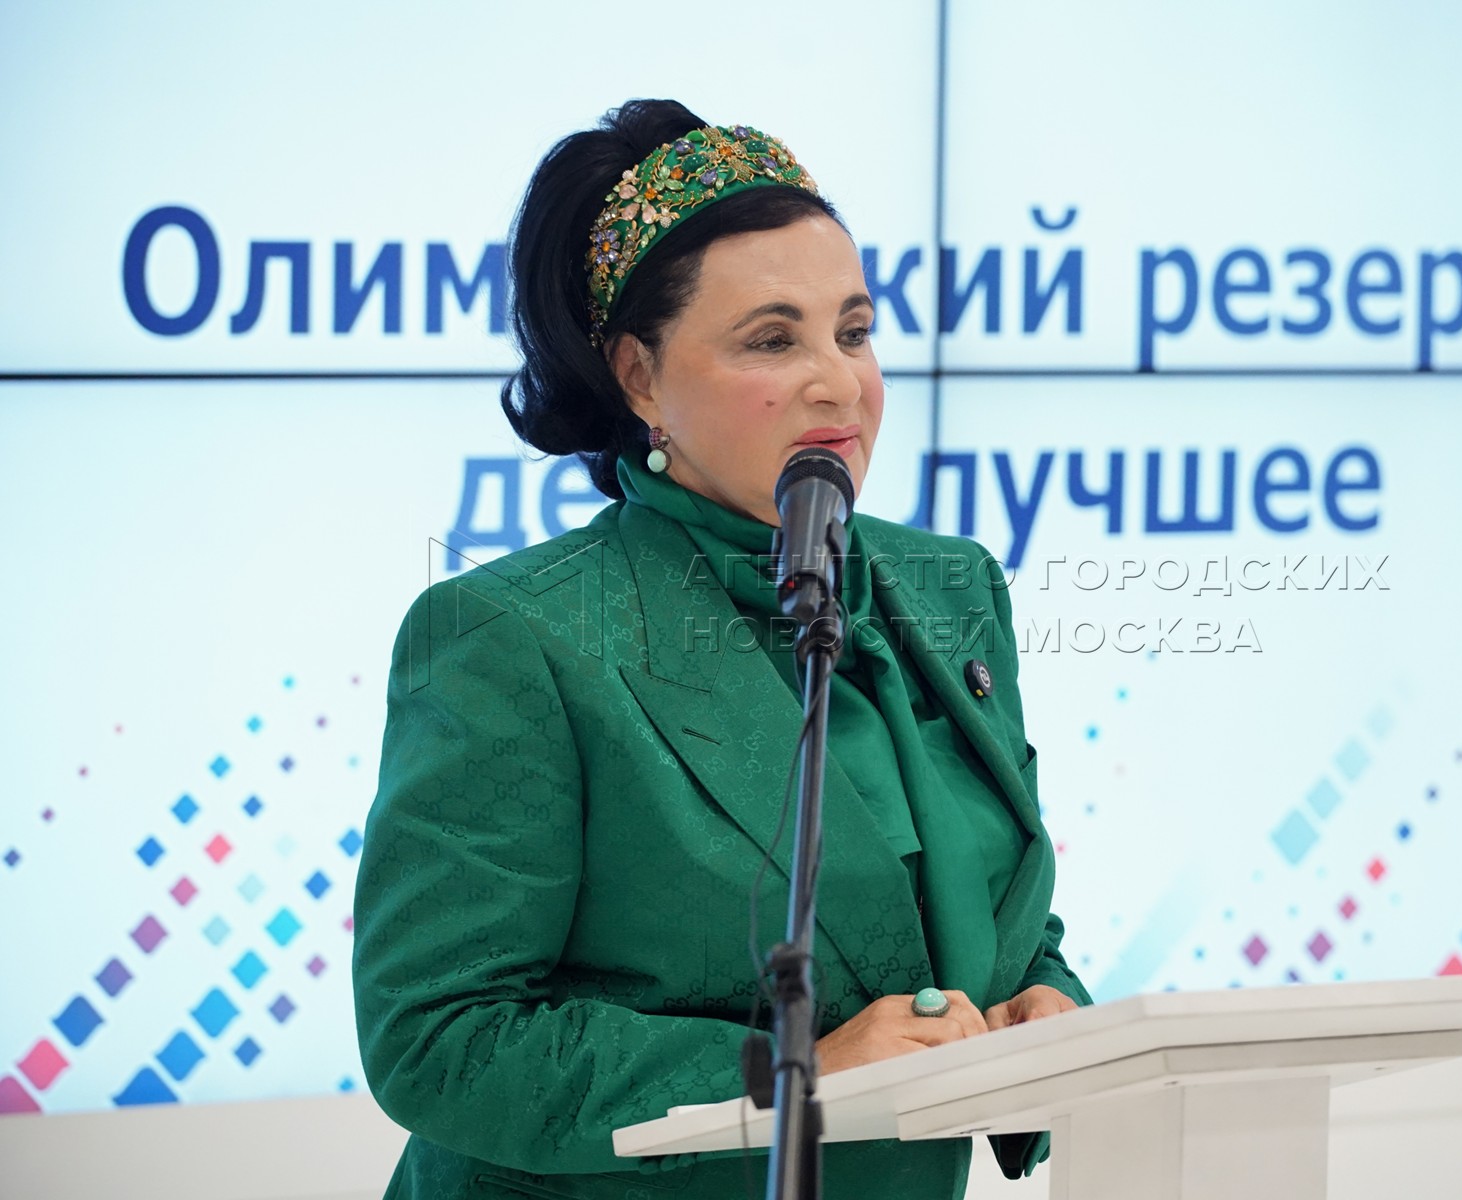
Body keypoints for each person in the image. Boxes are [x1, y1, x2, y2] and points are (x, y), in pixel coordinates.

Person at [350, 98, 1091, 1200]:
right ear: (639, 377)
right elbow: (440, 1038)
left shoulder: (953, 588)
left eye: (854, 331)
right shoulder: (513, 637)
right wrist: (790, 1080)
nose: (838, 382)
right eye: (772, 340)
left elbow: (991, 912)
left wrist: (1046, 1006)